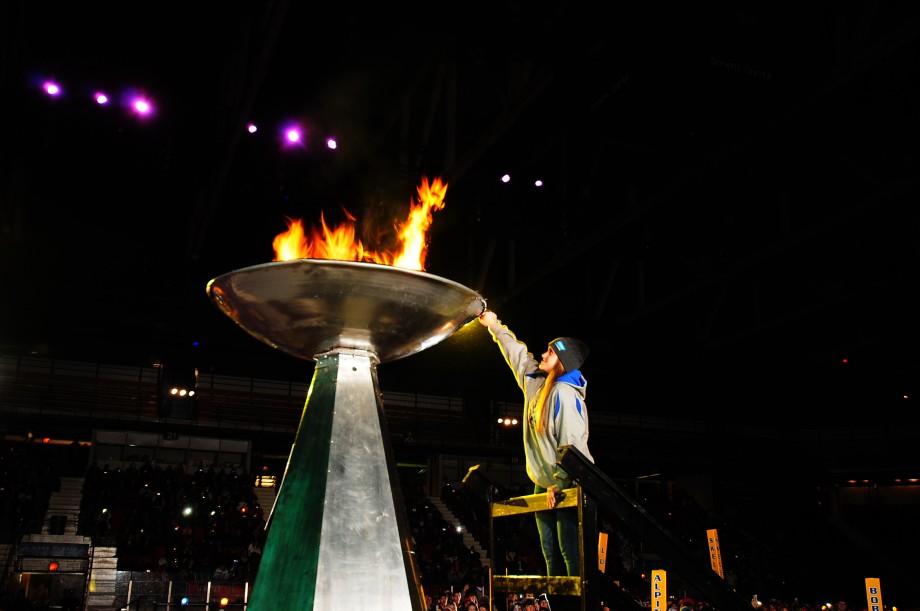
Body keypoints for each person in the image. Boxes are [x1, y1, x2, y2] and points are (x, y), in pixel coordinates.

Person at [478, 310, 594, 576]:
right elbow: (516, 353)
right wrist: (493, 324)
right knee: (550, 557)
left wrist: (561, 483)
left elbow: (572, 446)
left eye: (550, 353)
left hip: (571, 483)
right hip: (545, 481)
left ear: (562, 363)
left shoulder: (565, 395)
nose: (543, 355)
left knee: (569, 556)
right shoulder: (535, 383)